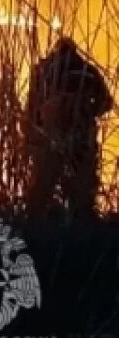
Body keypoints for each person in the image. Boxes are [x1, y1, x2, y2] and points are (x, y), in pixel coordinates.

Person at [24, 37, 113, 219]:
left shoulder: (42, 71)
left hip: (49, 134)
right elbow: (107, 103)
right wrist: (87, 110)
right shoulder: (87, 70)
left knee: (44, 181)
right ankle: (82, 218)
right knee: (83, 182)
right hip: (81, 133)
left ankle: (35, 218)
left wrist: (34, 130)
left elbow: (32, 108)